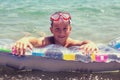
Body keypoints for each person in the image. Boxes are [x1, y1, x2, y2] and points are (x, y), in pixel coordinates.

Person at [12, 11, 98, 56]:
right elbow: (35, 41)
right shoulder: (47, 41)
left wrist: (91, 43)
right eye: (57, 29)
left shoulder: (70, 43)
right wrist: (25, 40)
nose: (62, 33)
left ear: (70, 29)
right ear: (51, 30)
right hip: (45, 39)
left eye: (65, 29)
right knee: (39, 35)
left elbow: (83, 42)